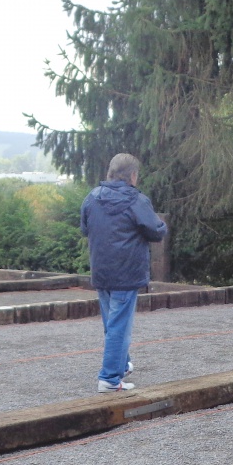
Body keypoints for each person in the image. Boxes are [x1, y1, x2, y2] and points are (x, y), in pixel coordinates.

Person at [79, 153, 167, 393]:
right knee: (119, 327)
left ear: (110, 172)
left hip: (101, 272)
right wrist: (163, 225)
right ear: (133, 176)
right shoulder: (137, 201)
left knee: (112, 323)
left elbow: (85, 228)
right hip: (127, 273)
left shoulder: (92, 198)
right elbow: (156, 231)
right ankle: (109, 378)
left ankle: (122, 365)